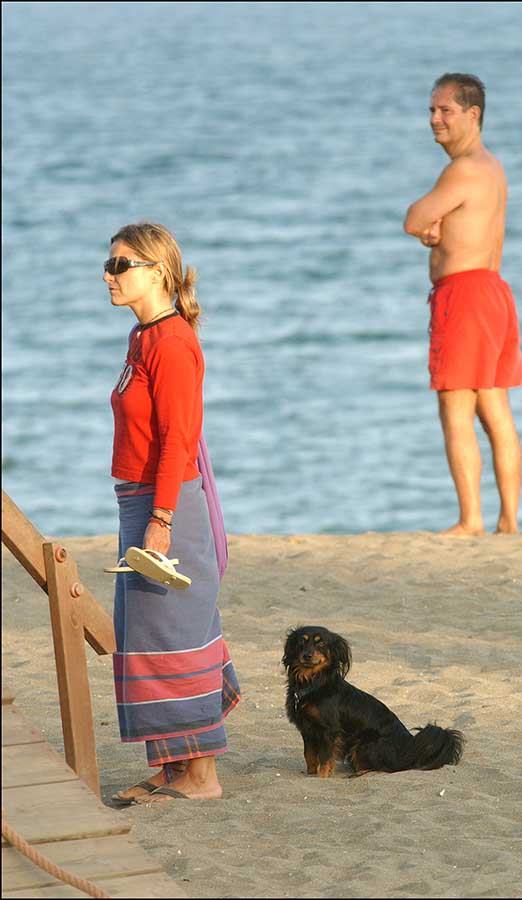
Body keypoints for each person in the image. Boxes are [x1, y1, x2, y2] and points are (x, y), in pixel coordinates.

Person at [104, 222, 240, 804]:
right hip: (140, 498)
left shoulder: (172, 341)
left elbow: (178, 439)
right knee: (147, 635)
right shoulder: (143, 336)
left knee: (175, 632)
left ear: (158, 270)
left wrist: (160, 521)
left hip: (167, 504)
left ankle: (202, 777)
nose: (109, 275)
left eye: (121, 264)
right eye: (109, 264)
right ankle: (174, 768)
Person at [403, 73, 522, 537]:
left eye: (445, 110)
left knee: (455, 408)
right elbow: (443, 224)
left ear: (473, 115)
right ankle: (508, 520)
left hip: (466, 297)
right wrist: (437, 229)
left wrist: (428, 225)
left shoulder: (463, 168)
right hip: (493, 291)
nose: (435, 119)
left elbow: (413, 217)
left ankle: (470, 519)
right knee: (494, 407)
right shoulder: (491, 166)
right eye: (432, 110)